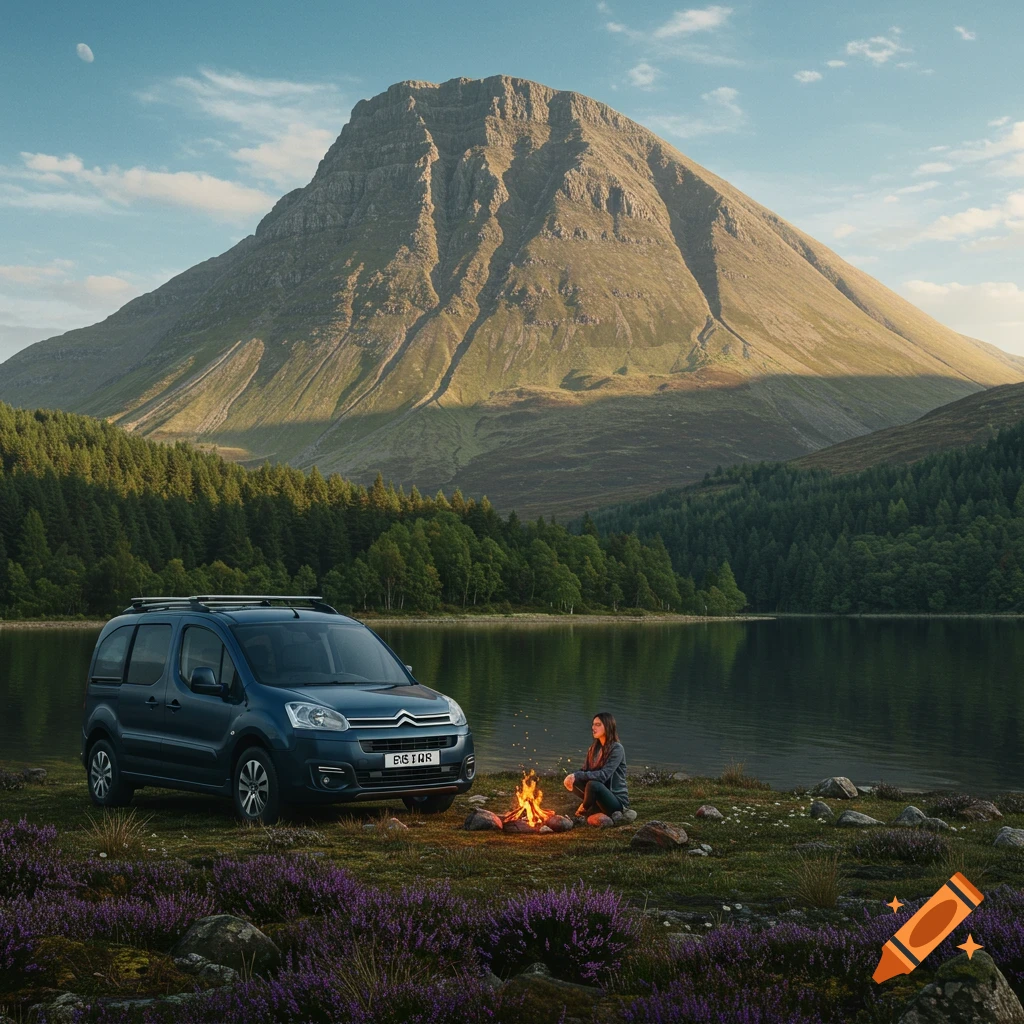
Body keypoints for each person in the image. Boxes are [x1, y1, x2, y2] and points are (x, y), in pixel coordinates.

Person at [563, 712, 629, 819]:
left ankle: (584, 809)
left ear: (608, 726)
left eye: (598, 725)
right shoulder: (594, 749)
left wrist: (578, 775)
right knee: (573, 780)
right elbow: (585, 770)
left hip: (615, 800)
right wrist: (573, 776)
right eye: (593, 724)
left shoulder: (617, 749)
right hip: (598, 795)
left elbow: (603, 775)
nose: (593, 727)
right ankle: (594, 806)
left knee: (592, 784)